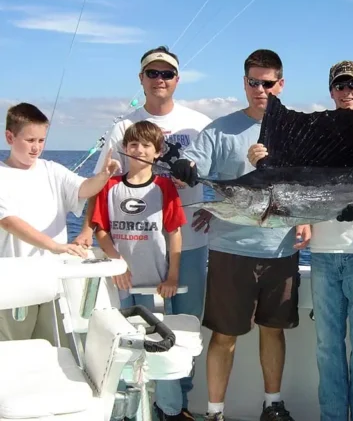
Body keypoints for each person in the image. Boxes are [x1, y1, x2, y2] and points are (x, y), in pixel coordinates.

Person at [74, 46, 212, 420]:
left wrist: (212, 209)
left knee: (185, 328)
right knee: (133, 327)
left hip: (188, 242)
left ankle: (176, 406)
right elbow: (102, 185)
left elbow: (221, 174)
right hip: (133, 249)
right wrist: (88, 230)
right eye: (152, 73)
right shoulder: (123, 126)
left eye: (167, 74)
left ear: (177, 80)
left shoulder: (198, 123)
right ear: (141, 79)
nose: (160, 80)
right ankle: (137, 405)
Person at [248, 60, 353, 421]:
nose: (347, 92)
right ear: (331, 91)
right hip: (323, 256)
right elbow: (287, 183)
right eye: (340, 86)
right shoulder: (316, 136)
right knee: (327, 349)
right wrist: (260, 157)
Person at [170, 49, 301, 421]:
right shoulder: (220, 129)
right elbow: (194, 162)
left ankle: (272, 405)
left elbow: (309, 184)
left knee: (273, 331)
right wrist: (185, 166)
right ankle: (214, 413)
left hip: (280, 249)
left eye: (269, 82)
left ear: (281, 83)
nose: (261, 89)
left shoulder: (294, 131)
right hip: (230, 249)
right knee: (224, 336)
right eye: (254, 82)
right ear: (244, 83)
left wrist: (273, 164)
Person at [0, 102, 120, 345]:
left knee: (54, 349)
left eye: (41, 141)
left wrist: (103, 176)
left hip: (53, 279)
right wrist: (54, 246)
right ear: (10, 137)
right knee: (14, 352)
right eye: (30, 140)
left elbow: (84, 189)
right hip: (14, 282)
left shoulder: (52, 170)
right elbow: (10, 222)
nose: (36, 148)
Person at [91, 120, 187, 310]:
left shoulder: (164, 187)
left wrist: (172, 278)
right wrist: (118, 265)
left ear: (158, 152)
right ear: (125, 148)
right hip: (118, 279)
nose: (139, 150)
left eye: (146, 145)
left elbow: (174, 233)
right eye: (133, 145)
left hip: (155, 283)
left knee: (153, 332)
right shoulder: (110, 186)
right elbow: (100, 230)